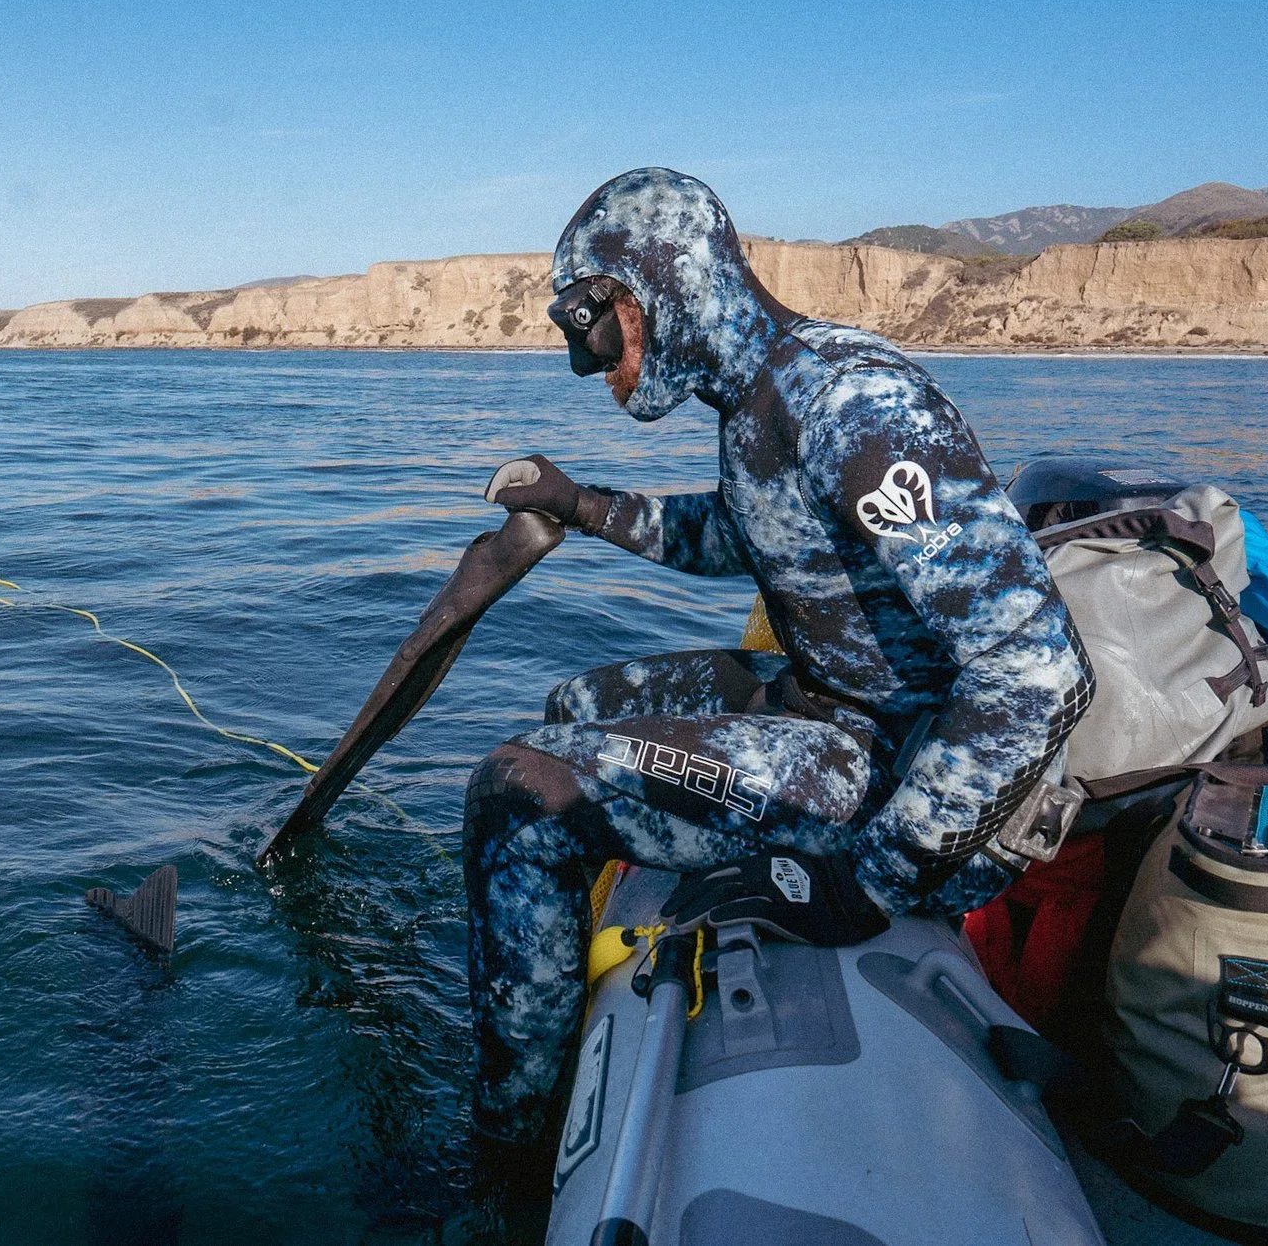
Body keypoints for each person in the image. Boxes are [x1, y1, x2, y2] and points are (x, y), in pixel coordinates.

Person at [465, 167, 1095, 1147]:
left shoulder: (848, 402)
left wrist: (873, 880)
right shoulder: (762, 396)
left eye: (587, 325)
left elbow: (1035, 666)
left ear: (658, 287)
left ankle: (503, 1147)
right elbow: (749, 533)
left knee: (514, 790)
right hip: (829, 702)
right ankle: (566, 970)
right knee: (571, 701)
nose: (585, 363)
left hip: (896, 775)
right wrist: (582, 504)